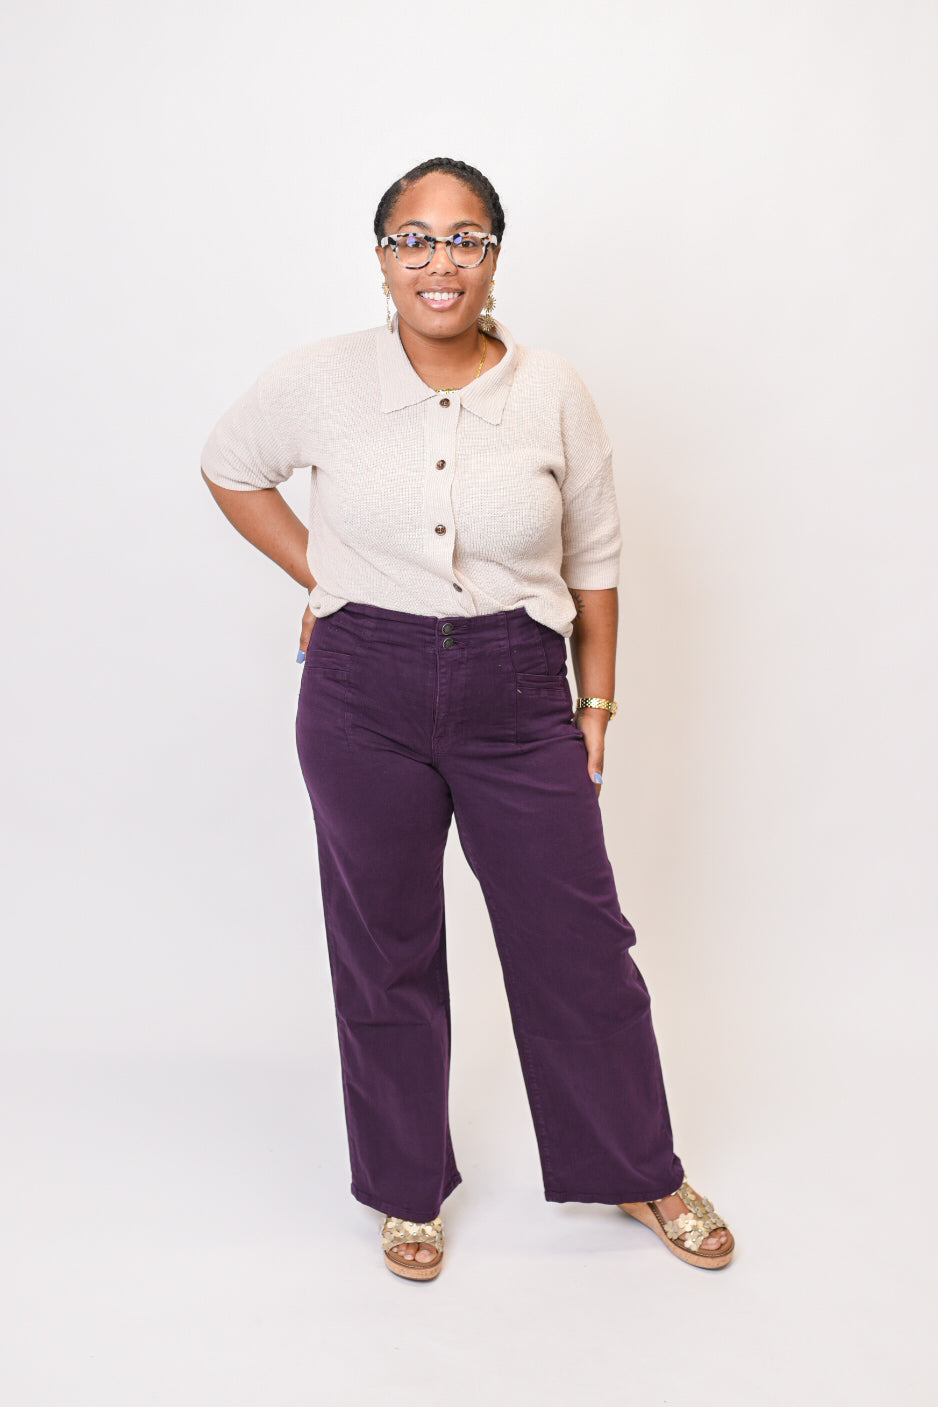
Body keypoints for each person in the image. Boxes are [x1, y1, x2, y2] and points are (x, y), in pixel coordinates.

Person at [200, 157, 734, 1281]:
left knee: (578, 945)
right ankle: (404, 1190)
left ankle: (637, 1167)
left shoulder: (552, 390)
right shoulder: (321, 379)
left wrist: (596, 699)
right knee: (384, 948)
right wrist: (325, 574)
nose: (436, 261)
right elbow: (230, 467)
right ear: (381, 256)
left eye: (462, 238)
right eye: (413, 238)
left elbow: (594, 554)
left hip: (517, 690)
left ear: (493, 256)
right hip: (362, 692)